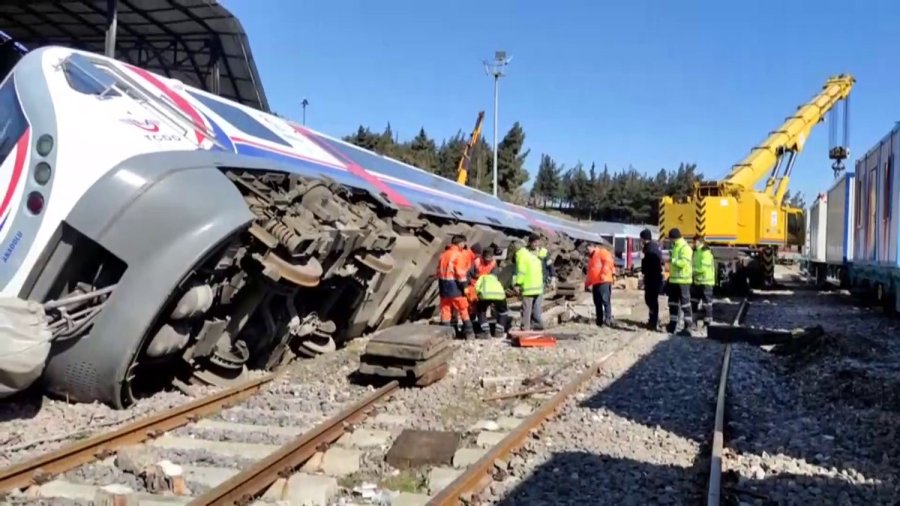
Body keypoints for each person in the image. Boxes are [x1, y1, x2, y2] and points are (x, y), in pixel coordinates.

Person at [437, 235, 474, 339]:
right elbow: (460, 273)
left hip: (443, 286)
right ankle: (469, 333)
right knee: (463, 308)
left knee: (445, 309)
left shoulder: (443, 255)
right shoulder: (458, 255)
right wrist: (465, 286)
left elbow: (438, 271)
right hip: (455, 286)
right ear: (460, 243)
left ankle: (446, 335)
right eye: (464, 243)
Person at [473, 248, 510, 338]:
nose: (488, 261)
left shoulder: (477, 263)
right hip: (498, 293)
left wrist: (476, 292)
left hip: (485, 292)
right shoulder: (494, 264)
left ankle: (486, 332)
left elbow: (473, 278)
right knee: (503, 311)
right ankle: (499, 332)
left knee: (481, 311)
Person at [511, 240, 544, 331]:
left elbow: (521, 272)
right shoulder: (530, 255)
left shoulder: (521, 255)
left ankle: (525, 328)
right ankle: (538, 324)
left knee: (526, 309)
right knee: (536, 308)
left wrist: (517, 284)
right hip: (538, 286)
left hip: (529, 287)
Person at [666, 228, 693, 336]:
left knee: (685, 304)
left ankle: (688, 327)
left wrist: (672, 260)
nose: (670, 241)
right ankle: (672, 325)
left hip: (683, 281)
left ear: (674, 238)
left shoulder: (685, 248)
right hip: (674, 280)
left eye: (670, 239)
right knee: (673, 303)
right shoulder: (675, 247)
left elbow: (683, 263)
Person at [585, 242, 615, 326]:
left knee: (605, 300)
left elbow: (608, 262)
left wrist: (603, 273)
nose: (587, 251)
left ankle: (607, 320)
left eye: (588, 248)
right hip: (596, 282)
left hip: (604, 281)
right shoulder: (591, 258)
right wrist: (587, 283)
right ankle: (599, 320)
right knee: (597, 302)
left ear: (592, 247)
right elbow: (590, 272)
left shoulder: (602, 252)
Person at [640, 228, 664, 331]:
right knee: (651, 300)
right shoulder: (655, 247)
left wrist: (643, 262)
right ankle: (653, 319)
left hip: (652, 277)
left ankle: (653, 321)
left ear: (644, 238)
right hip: (655, 277)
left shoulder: (650, 249)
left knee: (651, 299)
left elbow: (649, 264)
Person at [691, 235, 716, 327]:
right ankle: (694, 322)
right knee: (694, 302)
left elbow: (703, 268)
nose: (693, 244)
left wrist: (693, 272)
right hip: (697, 281)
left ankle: (707, 323)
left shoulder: (706, 252)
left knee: (707, 303)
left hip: (706, 282)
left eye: (695, 242)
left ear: (700, 242)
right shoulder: (695, 252)